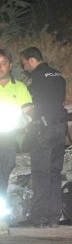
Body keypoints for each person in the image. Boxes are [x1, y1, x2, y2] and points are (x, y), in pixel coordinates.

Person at [20, 47, 67, 228]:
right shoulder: (57, 75)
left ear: (32, 60)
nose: (24, 69)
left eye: (24, 64)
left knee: (40, 173)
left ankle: (38, 217)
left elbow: (33, 107)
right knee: (55, 173)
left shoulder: (36, 80)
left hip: (44, 130)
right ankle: (54, 217)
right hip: (60, 128)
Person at [0, 49, 33, 227]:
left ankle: (1, 219)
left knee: (3, 178)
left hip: (7, 141)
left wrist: (24, 119)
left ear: (10, 65)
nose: (0, 67)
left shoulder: (19, 87)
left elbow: (29, 110)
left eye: (3, 63)